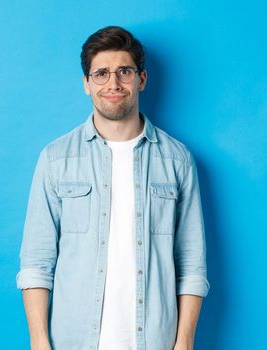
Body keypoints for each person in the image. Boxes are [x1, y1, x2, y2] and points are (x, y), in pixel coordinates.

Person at [16, 26, 209, 350]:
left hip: (154, 341)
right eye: (101, 73)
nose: (113, 83)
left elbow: (192, 262)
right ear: (87, 84)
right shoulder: (56, 158)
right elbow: (36, 262)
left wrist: (184, 342)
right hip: (74, 341)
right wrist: (39, 341)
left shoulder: (177, 159)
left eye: (124, 71)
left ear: (141, 79)